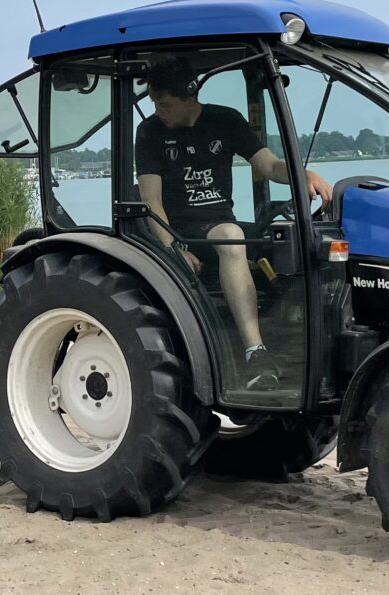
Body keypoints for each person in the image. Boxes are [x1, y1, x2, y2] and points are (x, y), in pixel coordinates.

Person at [135, 58, 332, 388]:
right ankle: (255, 352)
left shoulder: (225, 120)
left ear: (189, 95)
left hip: (219, 221)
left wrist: (304, 175)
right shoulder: (150, 132)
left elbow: (269, 166)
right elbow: (151, 200)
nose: (159, 111)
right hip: (179, 230)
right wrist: (174, 250)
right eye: (155, 104)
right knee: (231, 235)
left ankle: (309, 343)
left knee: (291, 239)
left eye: (165, 104)